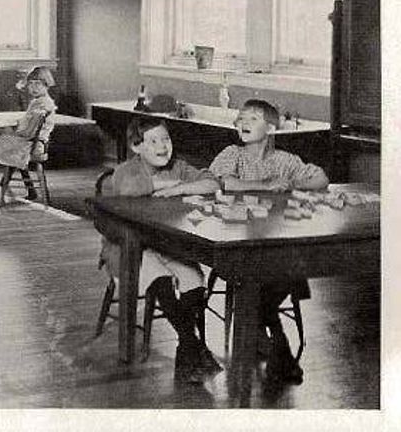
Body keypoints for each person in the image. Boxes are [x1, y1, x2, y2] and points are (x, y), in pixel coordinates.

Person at [209, 98, 329, 386]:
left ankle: (268, 339)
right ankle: (279, 347)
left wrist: (292, 184)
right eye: (240, 119)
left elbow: (321, 179)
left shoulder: (285, 160)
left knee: (284, 267)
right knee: (261, 282)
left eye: (252, 118)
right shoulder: (232, 153)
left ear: (271, 127)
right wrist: (265, 186)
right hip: (237, 242)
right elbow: (226, 184)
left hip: (274, 244)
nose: (243, 123)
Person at [98, 117, 222, 384]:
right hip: (129, 248)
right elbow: (129, 189)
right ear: (136, 147)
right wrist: (165, 186)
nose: (162, 146)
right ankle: (192, 345)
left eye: (166, 139)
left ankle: (185, 348)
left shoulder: (179, 167)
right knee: (160, 280)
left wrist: (181, 187)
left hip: (168, 244)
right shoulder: (126, 170)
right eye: (153, 141)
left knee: (195, 281)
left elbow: (212, 183)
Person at [0, 66, 57, 200]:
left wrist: (10, 131)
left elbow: (28, 133)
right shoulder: (39, 102)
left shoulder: (42, 106)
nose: (33, 88)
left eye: (38, 84)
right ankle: (30, 190)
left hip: (30, 146)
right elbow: (28, 125)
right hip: (33, 144)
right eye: (31, 84)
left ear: (47, 84)